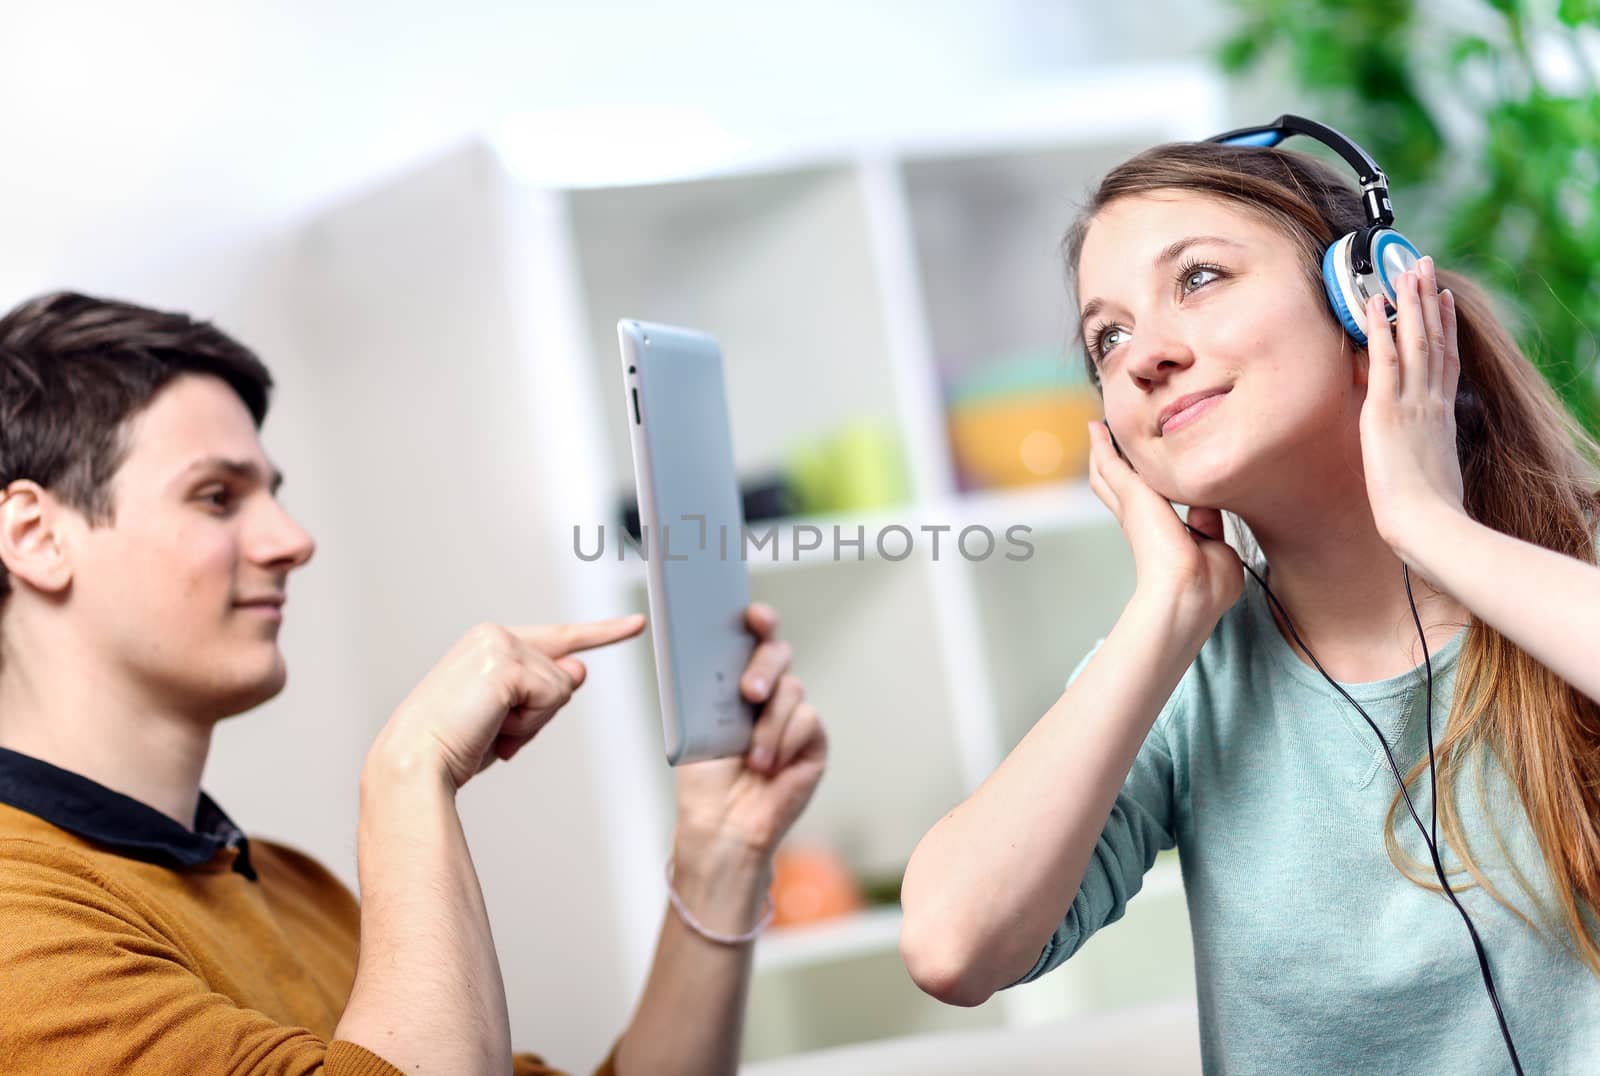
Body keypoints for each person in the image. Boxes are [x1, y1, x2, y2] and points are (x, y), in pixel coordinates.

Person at [899, 132, 1600, 1072]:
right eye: (1107, 337)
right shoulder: (1182, 673)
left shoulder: (1568, 576)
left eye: (1197, 278)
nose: (1143, 354)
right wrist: (1168, 605)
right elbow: (952, 946)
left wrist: (1432, 528)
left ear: (1368, 303)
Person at [0, 291, 827, 1075]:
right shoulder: (18, 924)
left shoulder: (288, 888)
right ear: (36, 535)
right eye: (217, 497)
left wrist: (722, 855)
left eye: (272, 496)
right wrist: (408, 775)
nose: (292, 540)